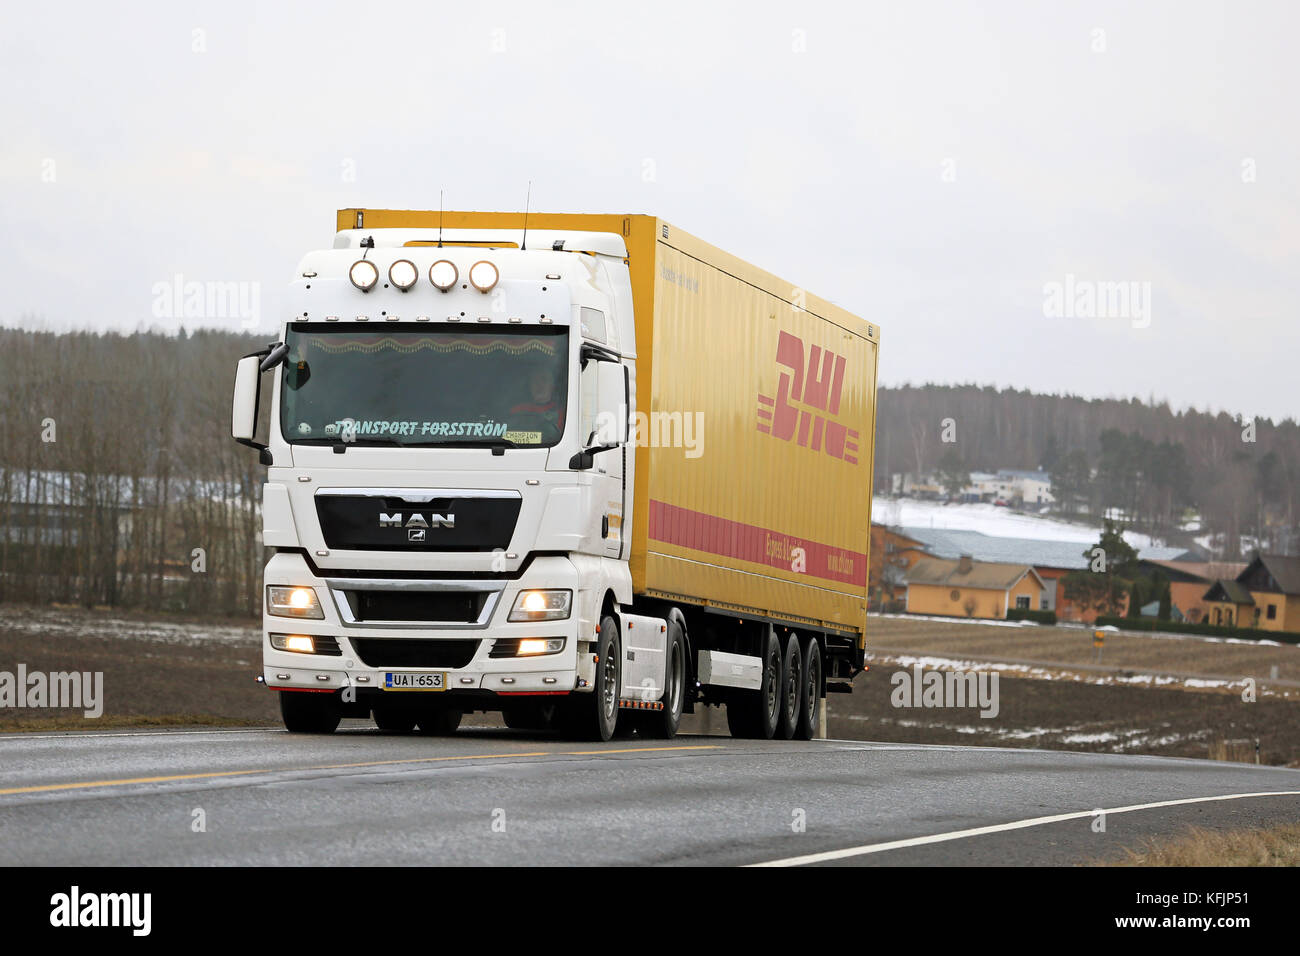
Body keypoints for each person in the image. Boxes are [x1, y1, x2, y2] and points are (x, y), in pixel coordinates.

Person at [510, 366, 565, 432]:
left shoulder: (561, 414)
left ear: (552, 385)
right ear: (529, 386)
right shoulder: (517, 410)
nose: (539, 384)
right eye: (535, 380)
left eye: (544, 379)